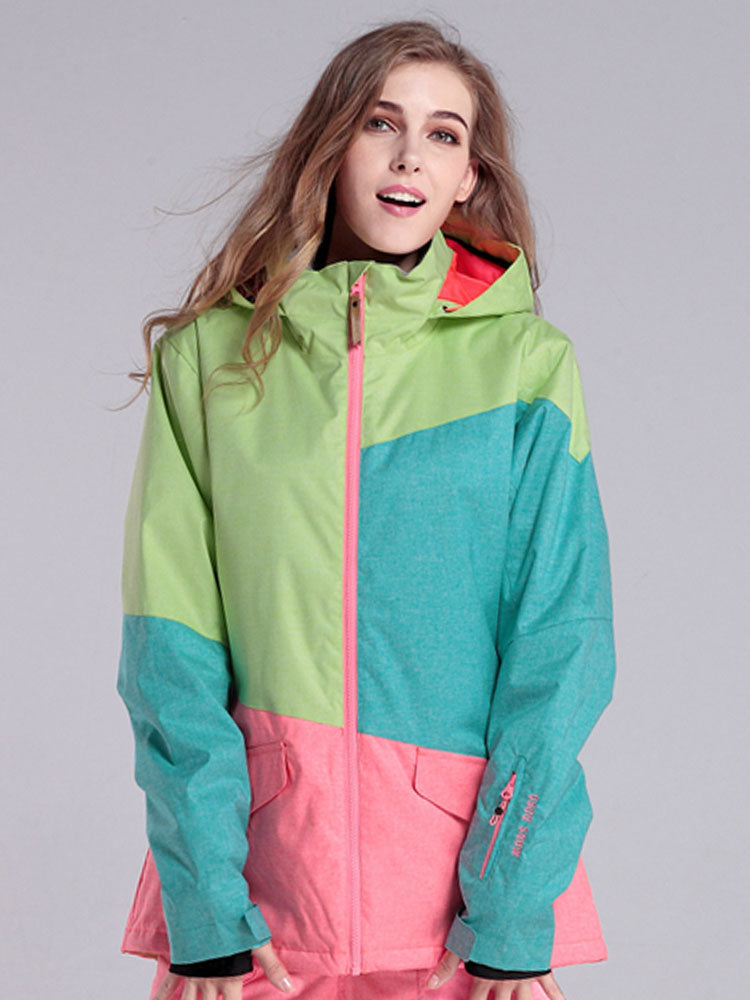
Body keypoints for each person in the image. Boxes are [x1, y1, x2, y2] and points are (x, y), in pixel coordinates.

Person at [115, 18, 616, 1000]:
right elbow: (169, 652)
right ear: (332, 146)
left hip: (463, 923)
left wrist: (512, 910)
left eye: (443, 134)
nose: (409, 155)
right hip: (253, 920)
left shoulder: (525, 367)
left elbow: (562, 642)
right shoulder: (209, 360)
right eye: (381, 122)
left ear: (469, 176)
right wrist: (206, 906)